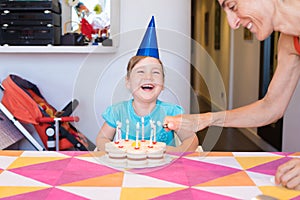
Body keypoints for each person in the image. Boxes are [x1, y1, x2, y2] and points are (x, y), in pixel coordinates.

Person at [163, 0, 300, 190]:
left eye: (233, 6)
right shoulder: (289, 42)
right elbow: (271, 106)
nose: (231, 22)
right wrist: (205, 119)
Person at [96, 16, 198, 153]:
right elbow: (101, 139)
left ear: (162, 83)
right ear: (128, 82)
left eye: (155, 72)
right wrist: (115, 150)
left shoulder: (171, 113)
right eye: (140, 72)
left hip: (163, 168)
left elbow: (191, 139)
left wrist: (177, 151)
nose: (148, 77)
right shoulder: (117, 112)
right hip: (127, 167)